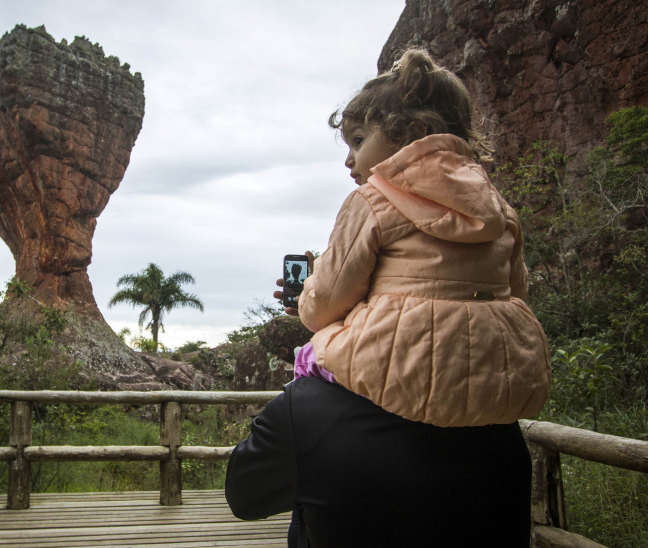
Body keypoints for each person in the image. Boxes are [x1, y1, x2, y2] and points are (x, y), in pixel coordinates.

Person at [225, 48, 551, 547]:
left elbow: (324, 303)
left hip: (393, 358)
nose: (349, 158)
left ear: (407, 134)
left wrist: (312, 298)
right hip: (488, 369)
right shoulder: (498, 208)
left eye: (357, 140)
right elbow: (514, 292)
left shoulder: (370, 200)